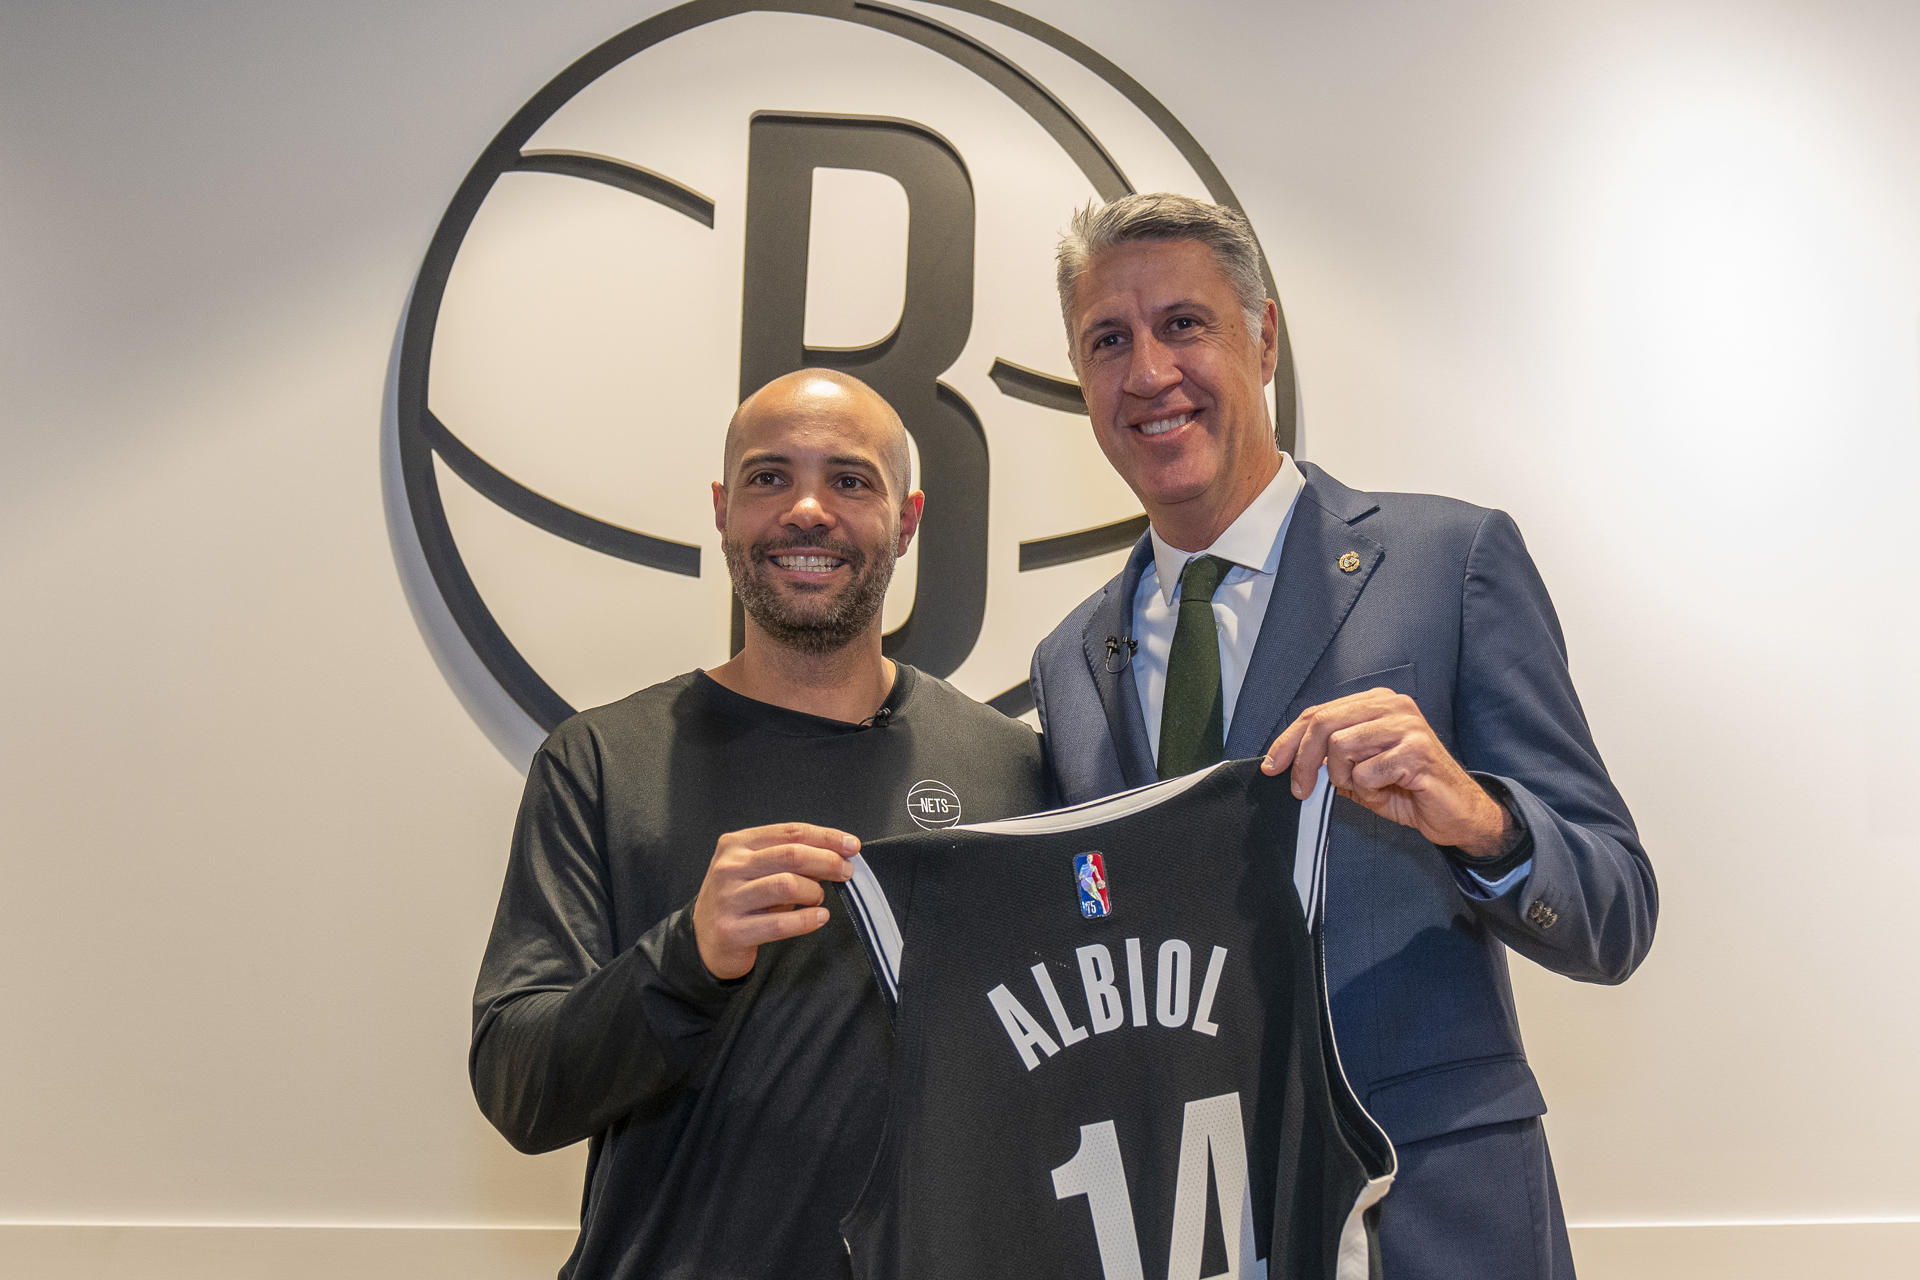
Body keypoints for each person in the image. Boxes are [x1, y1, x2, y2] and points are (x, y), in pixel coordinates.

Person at [1029, 193, 1657, 1278]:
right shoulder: (1066, 663)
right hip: (1181, 1222)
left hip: (1431, 1219)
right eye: (1108, 340)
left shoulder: (1448, 562)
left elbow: (1615, 911)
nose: (1148, 371)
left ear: (1263, 337)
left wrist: (1481, 820)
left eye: (1184, 323)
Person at [470, 369, 1050, 1280]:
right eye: (769, 477)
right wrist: (687, 957)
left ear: (907, 520)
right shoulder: (600, 762)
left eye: (851, 480)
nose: (807, 511)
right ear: (722, 508)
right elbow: (518, 1086)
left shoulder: (1011, 770)